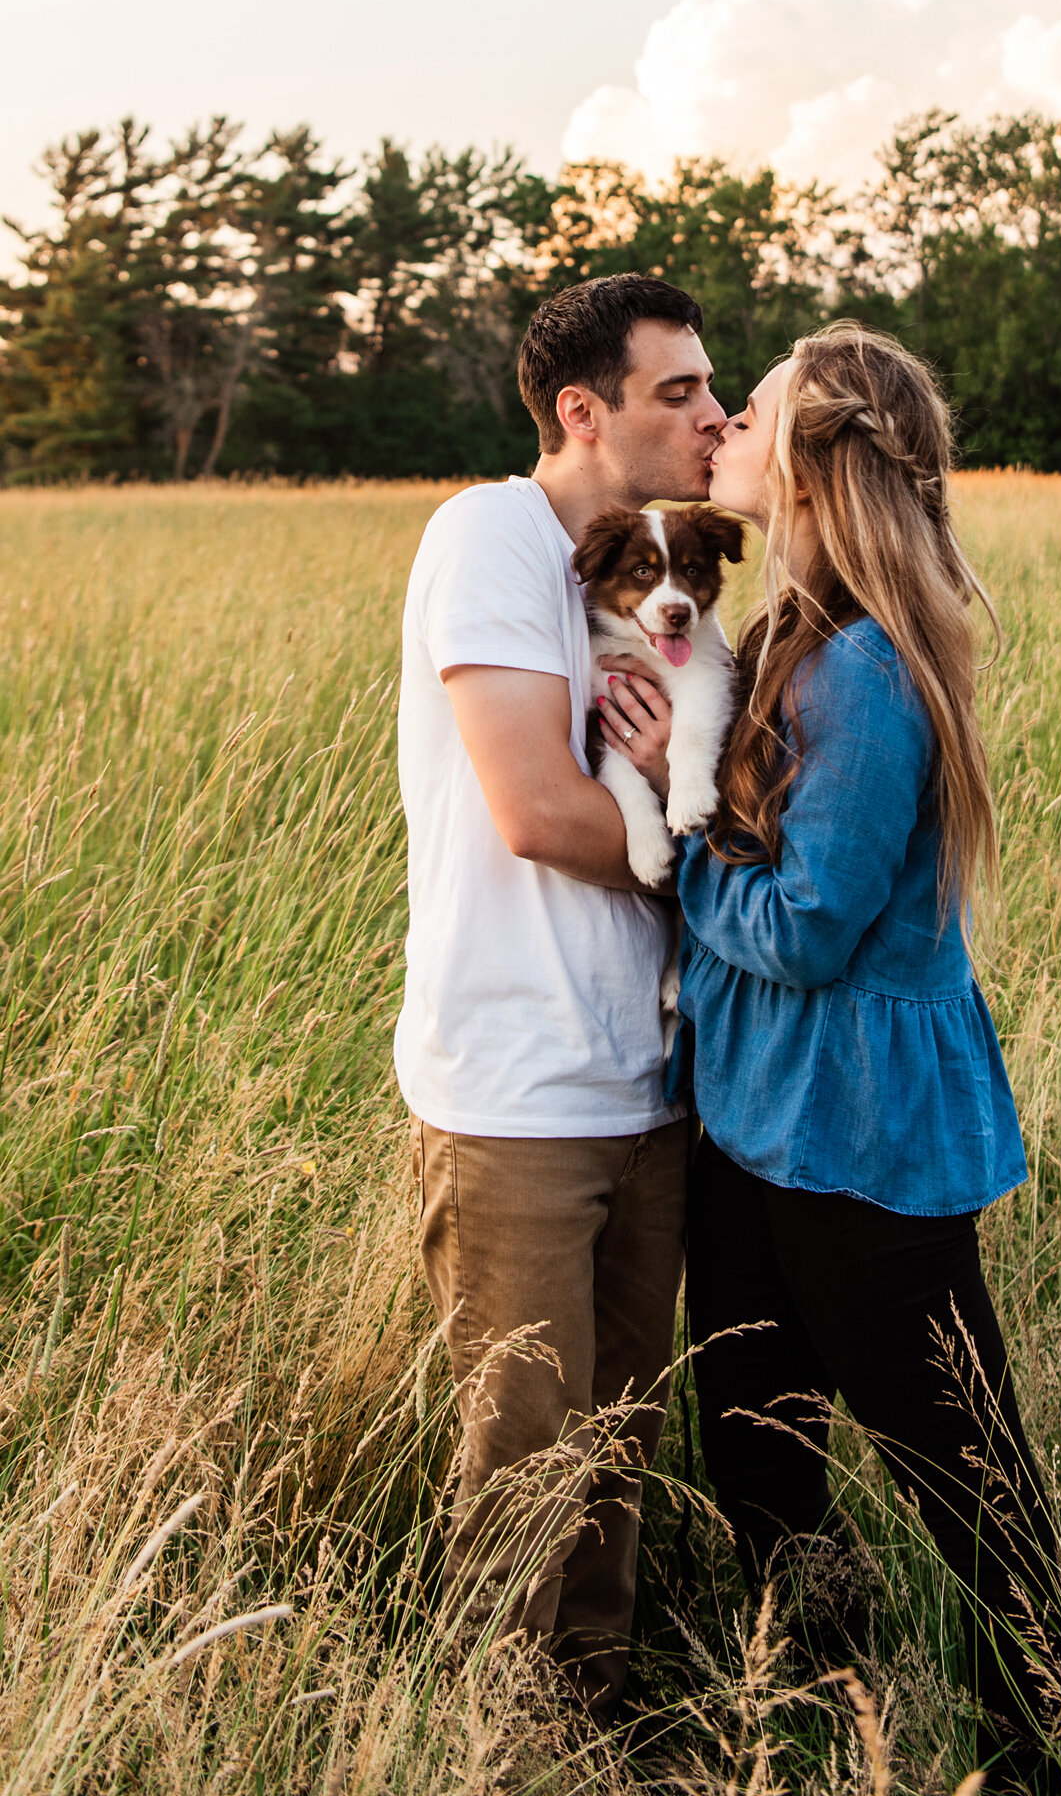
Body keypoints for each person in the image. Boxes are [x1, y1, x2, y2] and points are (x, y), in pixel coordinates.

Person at [597, 322, 1061, 1789]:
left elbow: (806, 929)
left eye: (745, 414)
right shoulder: (786, 633)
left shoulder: (861, 668)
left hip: (862, 1132)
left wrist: (676, 865)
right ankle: (809, 1693)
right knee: (753, 1431)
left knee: (958, 1462)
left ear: (805, 462)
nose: (716, 427)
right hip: (756, 1115)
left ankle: (1040, 1729)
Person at [395, 273, 725, 1714]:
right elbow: (535, 809)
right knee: (522, 1468)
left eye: (715, 390)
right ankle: (490, 1740)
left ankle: (594, 1727)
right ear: (582, 415)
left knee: (620, 1454)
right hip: (519, 1089)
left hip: (643, 1085)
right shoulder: (492, 534)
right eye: (679, 394)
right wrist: (710, 865)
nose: (717, 416)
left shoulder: (653, 577)